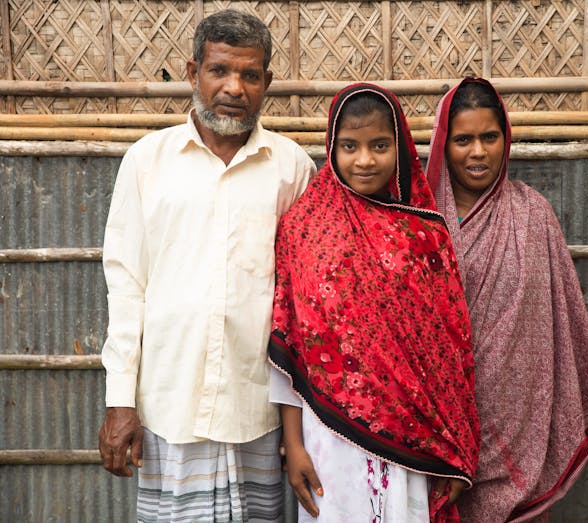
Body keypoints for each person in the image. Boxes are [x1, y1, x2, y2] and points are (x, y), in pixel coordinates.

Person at [97, 9, 316, 522]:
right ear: (193, 73)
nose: (234, 88)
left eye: (250, 75)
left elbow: (306, 302)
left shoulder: (293, 170)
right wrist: (119, 400)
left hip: (257, 410)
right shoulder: (148, 161)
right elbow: (126, 285)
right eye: (220, 70)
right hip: (170, 404)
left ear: (268, 83)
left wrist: (299, 426)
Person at [267, 83, 480, 522]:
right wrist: (293, 444)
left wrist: (456, 447)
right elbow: (289, 341)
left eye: (379, 145)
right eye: (350, 146)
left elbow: (450, 353)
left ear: (399, 148)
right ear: (331, 147)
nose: (364, 160)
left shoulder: (425, 236)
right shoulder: (304, 228)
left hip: (412, 441)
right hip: (328, 439)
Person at [425, 77, 588, 522]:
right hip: (441, 431)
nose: (478, 152)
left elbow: (561, 317)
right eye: (463, 140)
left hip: (518, 429)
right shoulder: (421, 221)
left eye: (489, 137)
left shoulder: (534, 214)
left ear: (505, 139)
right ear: (443, 143)